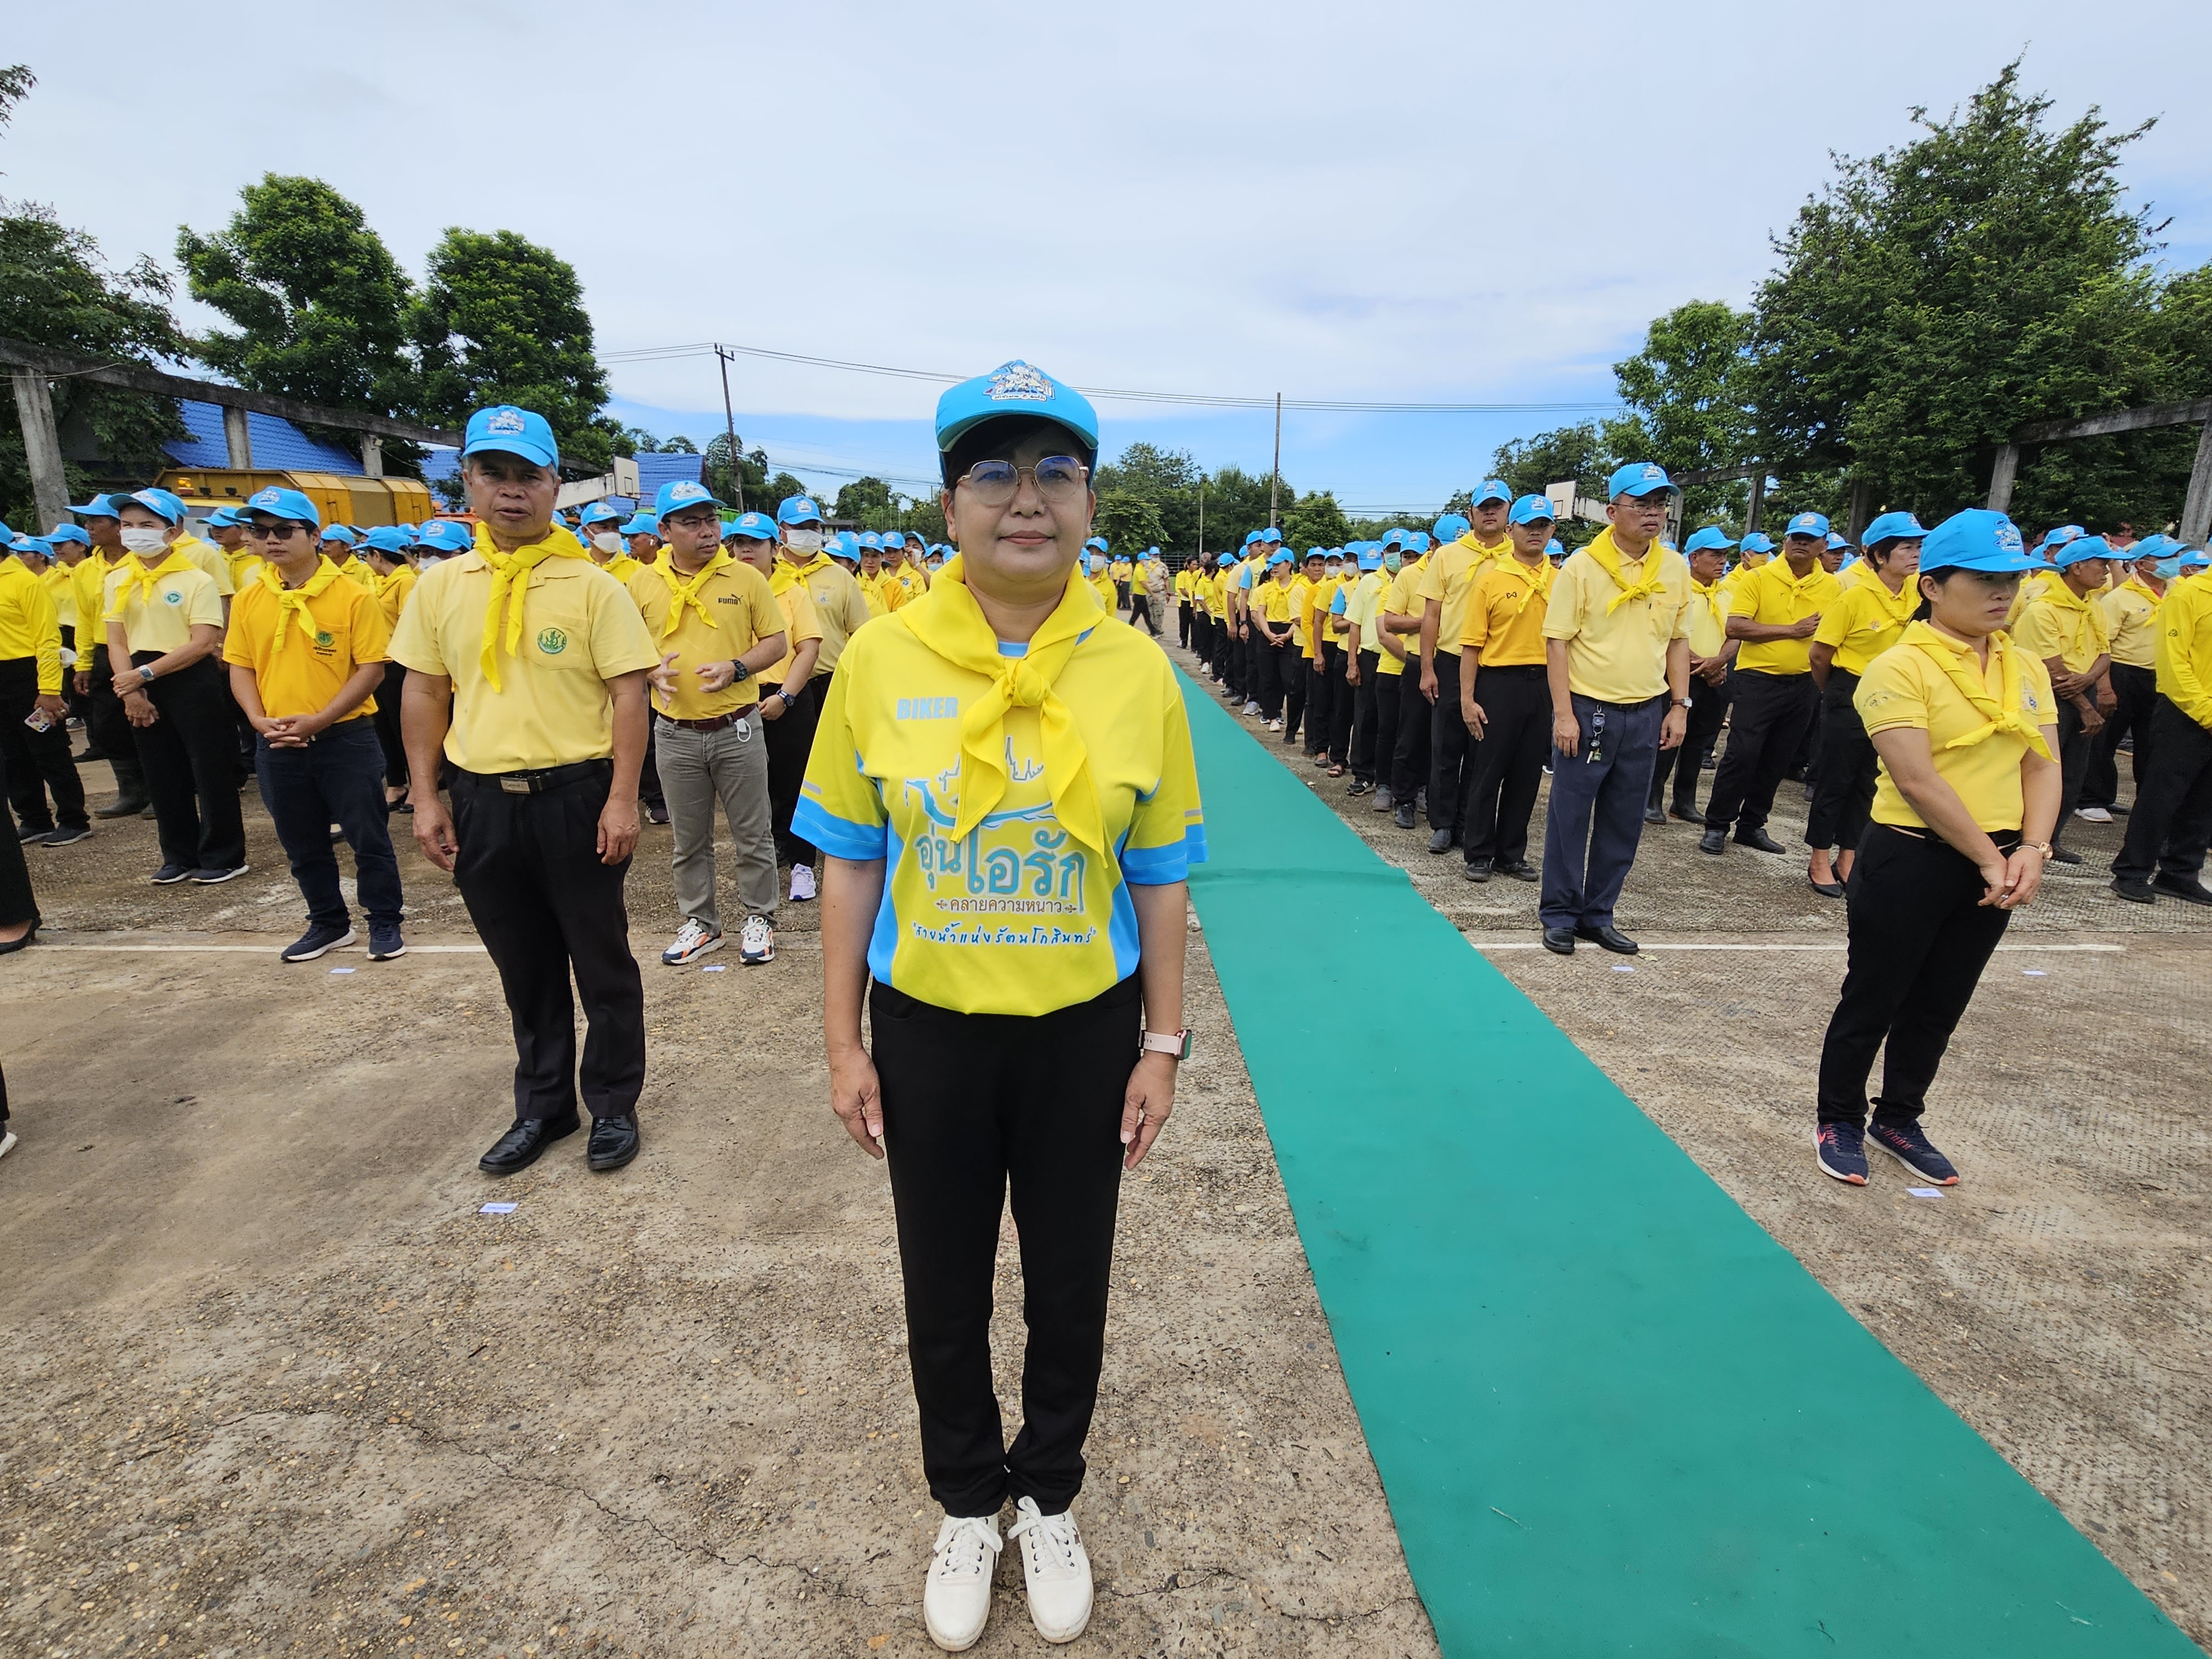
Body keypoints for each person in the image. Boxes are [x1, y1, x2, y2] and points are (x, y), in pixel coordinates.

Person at [797, 361, 1201, 1652]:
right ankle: (969, 1498)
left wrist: (1160, 1041)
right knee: (944, 1282)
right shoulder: (880, 656)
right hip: (933, 1033)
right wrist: (843, 1037)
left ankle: (1052, 1494)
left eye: (1054, 472)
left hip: (1085, 1031)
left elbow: (1161, 874)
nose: (1025, 499)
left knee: (1069, 1281)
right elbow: (852, 858)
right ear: (949, 499)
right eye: (993, 472)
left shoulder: (1137, 671)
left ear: (1088, 497)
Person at [390, 405, 662, 1178]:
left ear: (554, 487)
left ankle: (612, 1103)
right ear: (469, 482)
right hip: (484, 801)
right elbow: (425, 691)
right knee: (523, 962)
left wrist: (621, 797)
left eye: (529, 478)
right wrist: (427, 794)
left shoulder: (592, 588)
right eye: (495, 476)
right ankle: (543, 1107)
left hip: (575, 797)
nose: (512, 493)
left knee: (601, 959)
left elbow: (628, 697)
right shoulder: (442, 585)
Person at [1814, 510, 2059, 1186]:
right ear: (1932, 586)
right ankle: (1837, 1117)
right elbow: (1917, 779)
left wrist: (2033, 847)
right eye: (1983, 579)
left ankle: (1899, 1116)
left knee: (1942, 1001)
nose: (2001, 593)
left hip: (2001, 857)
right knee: (1875, 995)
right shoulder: (1898, 667)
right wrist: (1989, 855)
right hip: (1910, 856)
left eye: (2012, 579)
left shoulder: (2024, 664)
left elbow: (2042, 763)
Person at [225, 487, 406, 962]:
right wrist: (256, 719)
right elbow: (241, 664)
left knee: (368, 837)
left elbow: (372, 668)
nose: (272, 541)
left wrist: (321, 719)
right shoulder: (249, 599)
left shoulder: (353, 597)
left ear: (315, 536)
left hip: (344, 737)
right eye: (261, 532)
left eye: (285, 531)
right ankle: (327, 922)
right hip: (278, 740)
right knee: (301, 842)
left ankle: (385, 920)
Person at [630, 479, 789, 967]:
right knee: (688, 838)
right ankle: (702, 923)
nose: (707, 532)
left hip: (737, 727)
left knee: (753, 833)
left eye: (711, 521)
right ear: (664, 530)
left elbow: (778, 642)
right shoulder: (642, 583)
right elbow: (622, 651)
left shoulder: (745, 579)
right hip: (674, 732)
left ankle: (760, 917)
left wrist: (738, 668)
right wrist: (649, 670)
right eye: (692, 522)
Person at [1538, 463, 1692, 955]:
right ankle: (1560, 912)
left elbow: (1678, 640)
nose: (1652, 514)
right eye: (1640, 503)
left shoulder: (1674, 567)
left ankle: (1598, 914)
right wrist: (1564, 714)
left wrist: (1679, 705)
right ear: (1612, 510)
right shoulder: (1582, 567)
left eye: (1659, 504)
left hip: (1646, 711)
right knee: (1570, 815)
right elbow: (1557, 643)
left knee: (1624, 819)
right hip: (1590, 710)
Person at [105, 491, 247, 884]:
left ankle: (223, 854)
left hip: (187, 676)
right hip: (136, 679)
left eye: (147, 526)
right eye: (128, 525)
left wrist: (143, 676)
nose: (135, 533)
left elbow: (202, 641)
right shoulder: (117, 578)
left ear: (172, 532)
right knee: (160, 769)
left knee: (209, 767)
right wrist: (130, 690)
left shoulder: (195, 579)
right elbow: (116, 640)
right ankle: (178, 854)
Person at [1700, 510, 1841, 857]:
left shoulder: (1832, 586)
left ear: (1823, 545)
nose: (1801, 545)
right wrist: (1792, 631)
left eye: (1810, 541)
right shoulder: (1759, 578)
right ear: (1786, 541)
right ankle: (1718, 825)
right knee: (1742, 754)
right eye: (1796, 538)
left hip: (1804, 683)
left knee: (1778, 757)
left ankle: (1752, 826)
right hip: (1757, 680)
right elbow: (1736, 627)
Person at [1803, 513, 1925, 894]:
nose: (1915, 555)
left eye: (1918, 547)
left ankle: (1849, 854)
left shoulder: (1919, 595)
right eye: (1906, 547)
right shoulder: (1854, 595)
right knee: (1835, 780)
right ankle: (1819, 858)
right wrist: (1834, 695)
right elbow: (1820, 654)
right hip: (1849, 689)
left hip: (1894, 695)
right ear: (1879, 555)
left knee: (1869, 781)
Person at [770, 495, 872, 901]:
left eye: (813, 526)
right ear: (781, 532)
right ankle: (784, 839)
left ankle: (821, 840)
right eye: (799, 527)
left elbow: (860, 634)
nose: (808, 534)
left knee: (825, 765)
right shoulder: (764, 576)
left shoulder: (839, 577)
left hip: (827, 682)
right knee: (779, 771)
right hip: (777, 686)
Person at [1457, 496, 1559, 882]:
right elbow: (1471, 646)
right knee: (1488, 771)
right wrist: (1468, 699)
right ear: (1511, 530)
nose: (1535, 532)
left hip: (1544, 685)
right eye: (1528, 525)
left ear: (1552, 531)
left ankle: (1510, 853)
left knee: (1527, 774)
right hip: (1499, 683)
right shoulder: (1490, 580)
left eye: (1543, 525)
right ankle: (1479, 852)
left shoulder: (1561, 580)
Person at [2109, 544, 2212, 905]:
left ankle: (2180, 872)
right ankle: (2132, 871)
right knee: (2161, 795)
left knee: (2203, 800)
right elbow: (2173, 664)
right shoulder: (2189, 594)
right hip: (2185, 712)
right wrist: (2206, 711)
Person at [2011, 535, 2113, 863]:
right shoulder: (2042, 609)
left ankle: (2050, 839)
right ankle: (2024, 837)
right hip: (2050, 697)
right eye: (2101, 563)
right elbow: (2051, 669)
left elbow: (2105, 652)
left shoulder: (2092, 604)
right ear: (2077, 566)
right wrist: (2086, 706)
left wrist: (2088, 680)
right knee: (2041, 768)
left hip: (2081, 689)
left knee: (2072, 773)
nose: (2107, 570)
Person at [1419, 493, 1511, 852]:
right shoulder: (1448, 555)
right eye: (1483, 507)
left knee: (1484, 753)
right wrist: (1428, 668)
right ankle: (1442, 824)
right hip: (1452, 659)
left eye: (1498, 506)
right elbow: (1431, 615)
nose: (1490, 513)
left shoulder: (1518, 556)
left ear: (1508, 512)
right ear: (1471, 513)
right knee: (1446, 747)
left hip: (1497, 666)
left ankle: (1470, 824)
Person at [1, 531, 88, 848]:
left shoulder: (24, 582)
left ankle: (73, 819)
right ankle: (33, 818)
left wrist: (50, 689)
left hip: (27, 674)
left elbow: (47, 638)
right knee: (12, 755)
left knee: (48, 750)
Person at [66, 495, 151, 818]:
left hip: (144, 649)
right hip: (105, 651)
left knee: (150, 721)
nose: (88, 527)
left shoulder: (145, 560)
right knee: (108, 724)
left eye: (95, 521)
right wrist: (84, 663)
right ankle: (132, 790)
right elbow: (85, 618)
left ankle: (161, 788)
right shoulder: (86, 569)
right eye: (86, 521)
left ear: (119, 527)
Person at [1648, 528, 1736, 827]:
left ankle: (1684, 801)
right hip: (1680, 676)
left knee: (1699, 741)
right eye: (1715, 555)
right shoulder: (1678, 587)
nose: (1722, 561)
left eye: (1724, 555)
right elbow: (1668, 632)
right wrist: (1701, 663)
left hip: (1715, 677)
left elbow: (1735, 633)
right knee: (1667, 739)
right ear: (1694, 558)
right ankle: (1652, 799)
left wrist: (1719, 661)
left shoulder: (1726, 592)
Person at [2083, 537, 2169, 820]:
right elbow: (2103, 645)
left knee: (2151, 742)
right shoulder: (2119, 598)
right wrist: (2105, 687)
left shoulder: (2177, 591)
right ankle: (2093, 798)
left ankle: (2148, 802)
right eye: (2163, 558)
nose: (2170, 563)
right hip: (2123, 671)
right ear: (2142, 564)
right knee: (2106, 738)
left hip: (2159, 676)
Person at [357, 526, 419, 811]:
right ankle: (396, 782)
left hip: (399, 664)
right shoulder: (385, 583)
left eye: (367, 555)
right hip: (382, 661)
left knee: (403, 727)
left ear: (377, 555)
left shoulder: (405, 582)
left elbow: (410, 623)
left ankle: (418, 786)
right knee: (384, 727)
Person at [1384, 529, 1433, 825]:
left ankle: (1432, 794)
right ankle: (1404, 799)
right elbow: (1390, 622)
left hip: (1454, 662)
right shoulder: (1409, 576)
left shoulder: (1470, 572)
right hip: (1416, 661)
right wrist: (1426, 622)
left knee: (1444, 740)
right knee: (1410, 734)